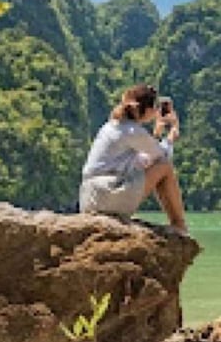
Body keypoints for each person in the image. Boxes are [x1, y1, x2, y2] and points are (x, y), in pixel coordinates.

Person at [80, 83, 190, 236]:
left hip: (90, 198)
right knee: (165, 167)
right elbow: (162, 157)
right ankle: (179, 225)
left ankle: (177, 225)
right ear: (149, 110)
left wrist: (156, 135)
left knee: (157, 165)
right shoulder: (133, 131)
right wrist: (171, 135)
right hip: (108, 194)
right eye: (155, 106)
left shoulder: (112, 126)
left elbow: (142, 161)